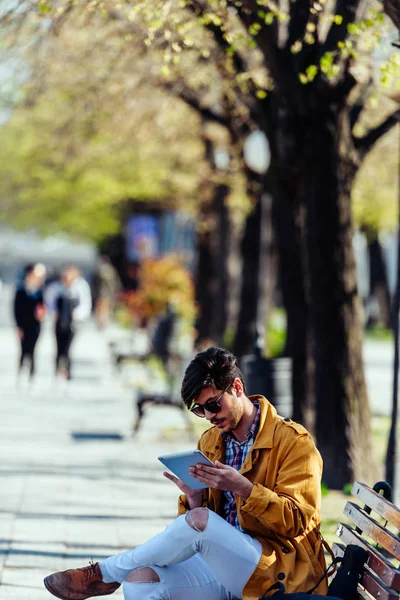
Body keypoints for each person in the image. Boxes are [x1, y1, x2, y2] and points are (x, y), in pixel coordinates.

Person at [43, 347, 328, 600]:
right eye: (199, 410)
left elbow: (298, 521)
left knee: (200, 520)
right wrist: (194, 500)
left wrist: (244, 488)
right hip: (223, 569)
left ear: (237, 388)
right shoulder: (211, 441)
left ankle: (103, 574)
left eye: (214, 404)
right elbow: (190, 537)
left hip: (276, 568)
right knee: (140, 581)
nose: (209, 416)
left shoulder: (293, 442)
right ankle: (114, 574)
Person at [55, 265, 92, 380]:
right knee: (58, 347)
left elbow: (85, 304)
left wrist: (78, 314)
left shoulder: (80, 286)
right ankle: (57, 370)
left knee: (68, 348)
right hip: (60, 321)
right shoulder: (59, 286)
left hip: (73, 322)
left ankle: (67, 371)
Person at [13, 263, 46, 383]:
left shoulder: (40, 290)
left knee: (32, 350)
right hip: (23, 325)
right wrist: (18, 326)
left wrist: (41, 313)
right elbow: (16, 310)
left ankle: (32, 376)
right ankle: (20, 374)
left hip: (35, 325)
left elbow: (44, 306)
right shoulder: (21, 290)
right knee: (22, 350)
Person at [91, 255, 121, 329]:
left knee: (101, 308)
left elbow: (95, 283)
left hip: (101, 293)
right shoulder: (112, 270)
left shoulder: (99, 270)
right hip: (108, 293)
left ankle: (101, 323)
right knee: (105, 308)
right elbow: (116, 282)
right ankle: (103, 323)